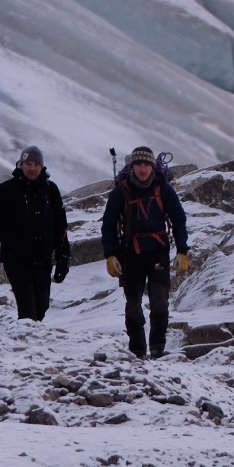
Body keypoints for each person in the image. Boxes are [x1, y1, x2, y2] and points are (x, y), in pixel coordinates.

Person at [100, 145, 190, 359]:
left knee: (159, 304)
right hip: (130, 253)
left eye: (146, 164)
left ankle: (157, 350)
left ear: (152, 166)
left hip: (157, 252)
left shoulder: (164, 190)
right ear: (132, 166)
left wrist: (182, 251)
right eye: (138, 164)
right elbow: (109, 224)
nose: (142, 168)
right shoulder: (120, 192)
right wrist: (110, 255)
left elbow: (178, 219)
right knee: (133, 306)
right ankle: (137, 351)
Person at [0, 145, 70, 321]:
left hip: (42, 260)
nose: (32, 168)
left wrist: (63, 258)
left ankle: (27, 341)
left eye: (36, 164)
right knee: (27, 309)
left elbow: (60, 227)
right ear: (21, 165)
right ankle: (25, 344)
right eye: (28, 164)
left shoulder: (51, 191)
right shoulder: (6, 190)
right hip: (16, 260)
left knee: (41, 308)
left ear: (42, 167)